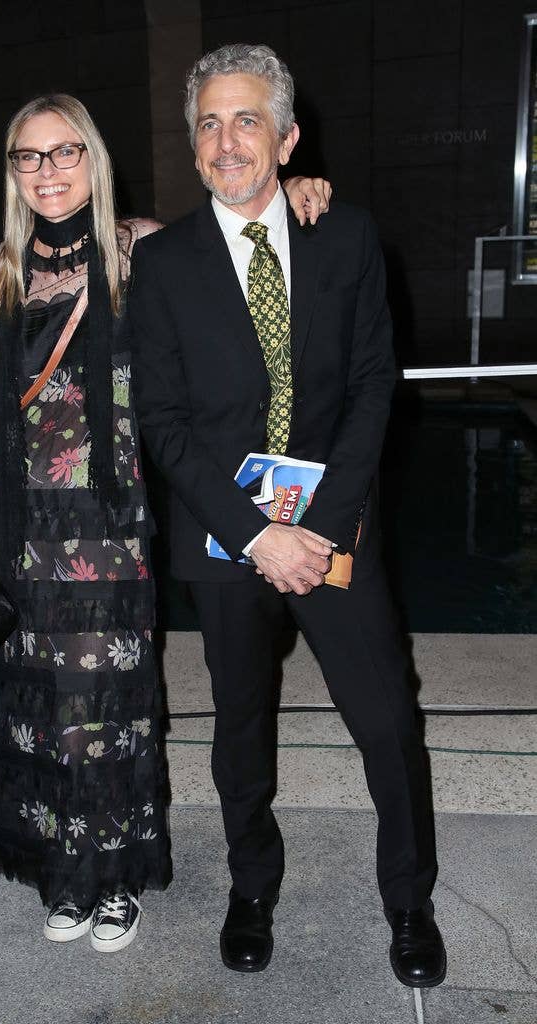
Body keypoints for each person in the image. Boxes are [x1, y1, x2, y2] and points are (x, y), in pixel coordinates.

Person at [0, 91, 331, 953]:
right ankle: (61, 871)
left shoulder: (140, 249)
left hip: (109, 523)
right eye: (28, 157)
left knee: (106, 704)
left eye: (64, 152)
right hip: (17, 526)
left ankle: (111, 879)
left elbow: (239, 235)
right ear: (12, 171)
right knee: (34, 709)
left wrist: (295, 195)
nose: (47, 172)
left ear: (94, 158)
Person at [129, 43, 446, 985]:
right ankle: (250, 886)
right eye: (209, 124)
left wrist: (322, 524)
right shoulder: (162, 262)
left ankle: (408, 901)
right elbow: (163, 422)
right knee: (239, 727)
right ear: (193, 145)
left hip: (336, 529)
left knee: (386, 718)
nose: (227, 142)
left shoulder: (344, 236)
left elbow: (370, 385)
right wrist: (258, 532)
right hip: (225, 540)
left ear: (287, 136)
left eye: (247, 120)